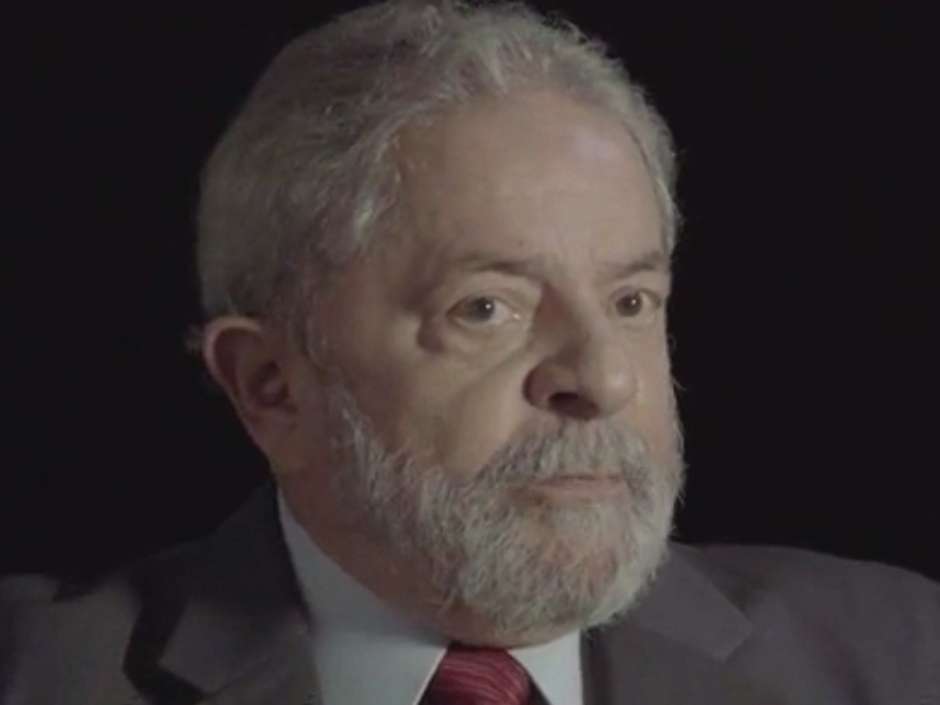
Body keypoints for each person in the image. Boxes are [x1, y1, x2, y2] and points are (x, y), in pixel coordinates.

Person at [2, 1, 938, 703]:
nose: (605, 378)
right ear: (272, 386)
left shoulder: (904, 657)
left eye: (630, 301)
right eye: (486, 308)